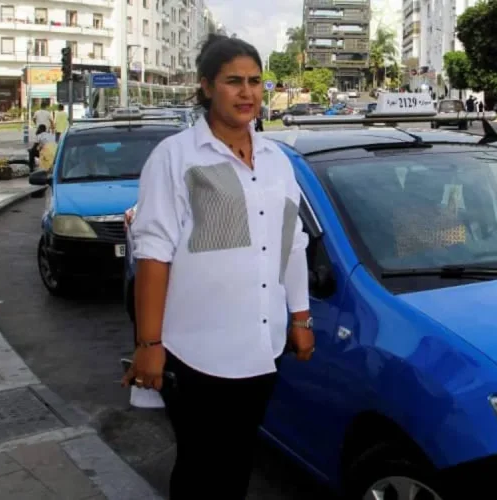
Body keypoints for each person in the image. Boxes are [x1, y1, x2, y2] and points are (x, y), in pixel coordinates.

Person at [122, 33, 314, 500]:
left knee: (237, 462)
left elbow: (292, 245)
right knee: (199, 468)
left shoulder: (276, 161)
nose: (247, 92)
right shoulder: (175, 156)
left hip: (261, 347)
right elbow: (154, 252)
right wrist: (149, 344)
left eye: (255, 81)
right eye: (234, 81)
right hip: (196, 352)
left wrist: (301, 317)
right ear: (207, 87)